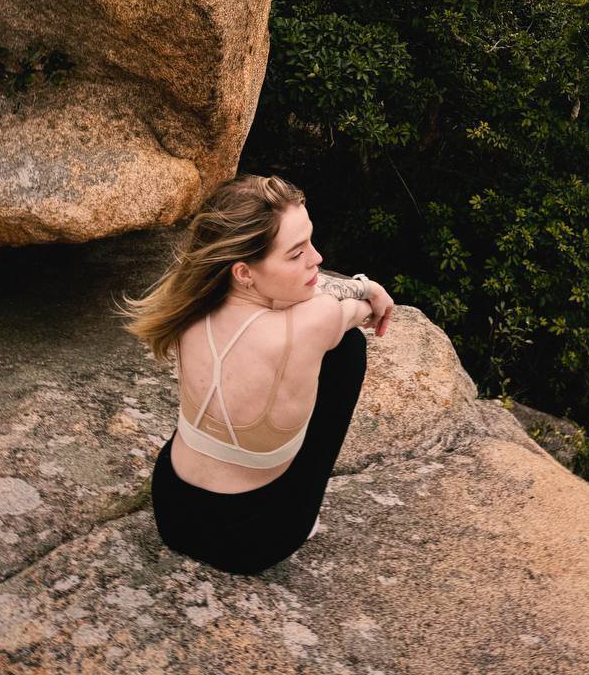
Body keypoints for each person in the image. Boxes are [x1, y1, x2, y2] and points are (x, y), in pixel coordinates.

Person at [119, 172, 394, 574]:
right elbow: (358, 311)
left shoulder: (190, 297)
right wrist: (368, 288)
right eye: (296, 253)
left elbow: (312, 288)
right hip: (254, 537)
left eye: (310, 242)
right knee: (348, 347)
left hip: (172, 507)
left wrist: (323, 279)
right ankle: (303, 510)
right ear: (244, 272)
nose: (317, 258)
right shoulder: (312, 321)